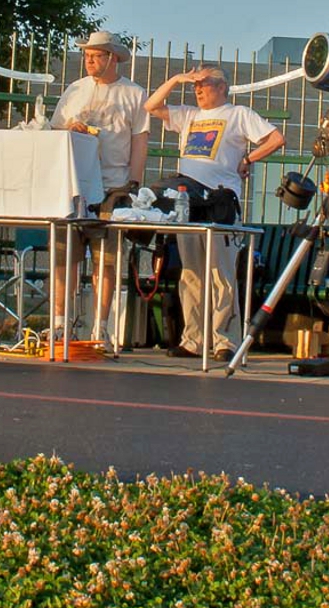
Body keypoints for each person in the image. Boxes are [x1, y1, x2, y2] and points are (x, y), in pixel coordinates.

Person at [144, 64, 285, 361]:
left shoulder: (238, 114)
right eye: (195, 84)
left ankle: (225, 340)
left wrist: (248, 159)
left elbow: (275, 138)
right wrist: (176, 79)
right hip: (189, 200)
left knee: (221, 273)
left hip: (220, 201)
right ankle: (193, 339)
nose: (198, 89)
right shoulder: (189, 115)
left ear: (222, 87)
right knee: (191, 273)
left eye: (205, 83)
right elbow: (151, 106)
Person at [49, 30, 149, 348]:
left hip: (112, 184)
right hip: (74, 183)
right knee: (64, 256)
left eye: (96, 55)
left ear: (112, 58)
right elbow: (55, 130)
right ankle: (60, 324)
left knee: (105, 259)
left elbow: (140, 141)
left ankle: (100, 328)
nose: (89, 61)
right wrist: (71, 128)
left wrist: (133, 185)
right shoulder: (75, 89)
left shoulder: (134, 93)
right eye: (87, 55)